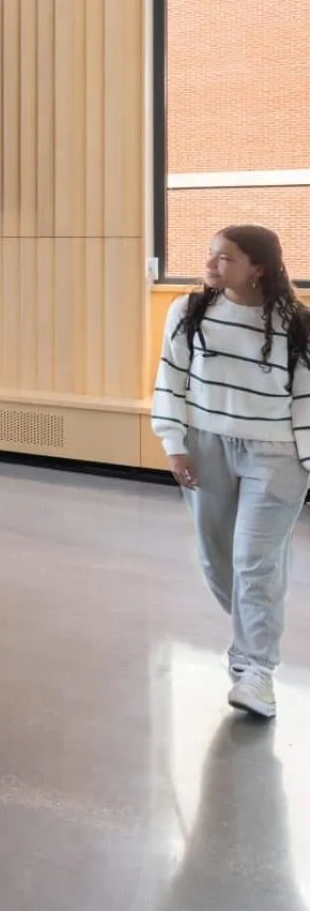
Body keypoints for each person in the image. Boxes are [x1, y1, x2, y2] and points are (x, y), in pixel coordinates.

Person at [151, 225, 310, 721]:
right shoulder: (188, 313)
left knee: (255, 563)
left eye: (225, 258)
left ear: (257, 267)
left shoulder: (297, 324)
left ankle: (257, 671)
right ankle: (248, 647)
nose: (212, 264)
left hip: (277, 453)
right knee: (218, 561)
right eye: (210, 255)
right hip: (206, 446)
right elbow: (169, 383)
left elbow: (306, 400)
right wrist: (175, 447)